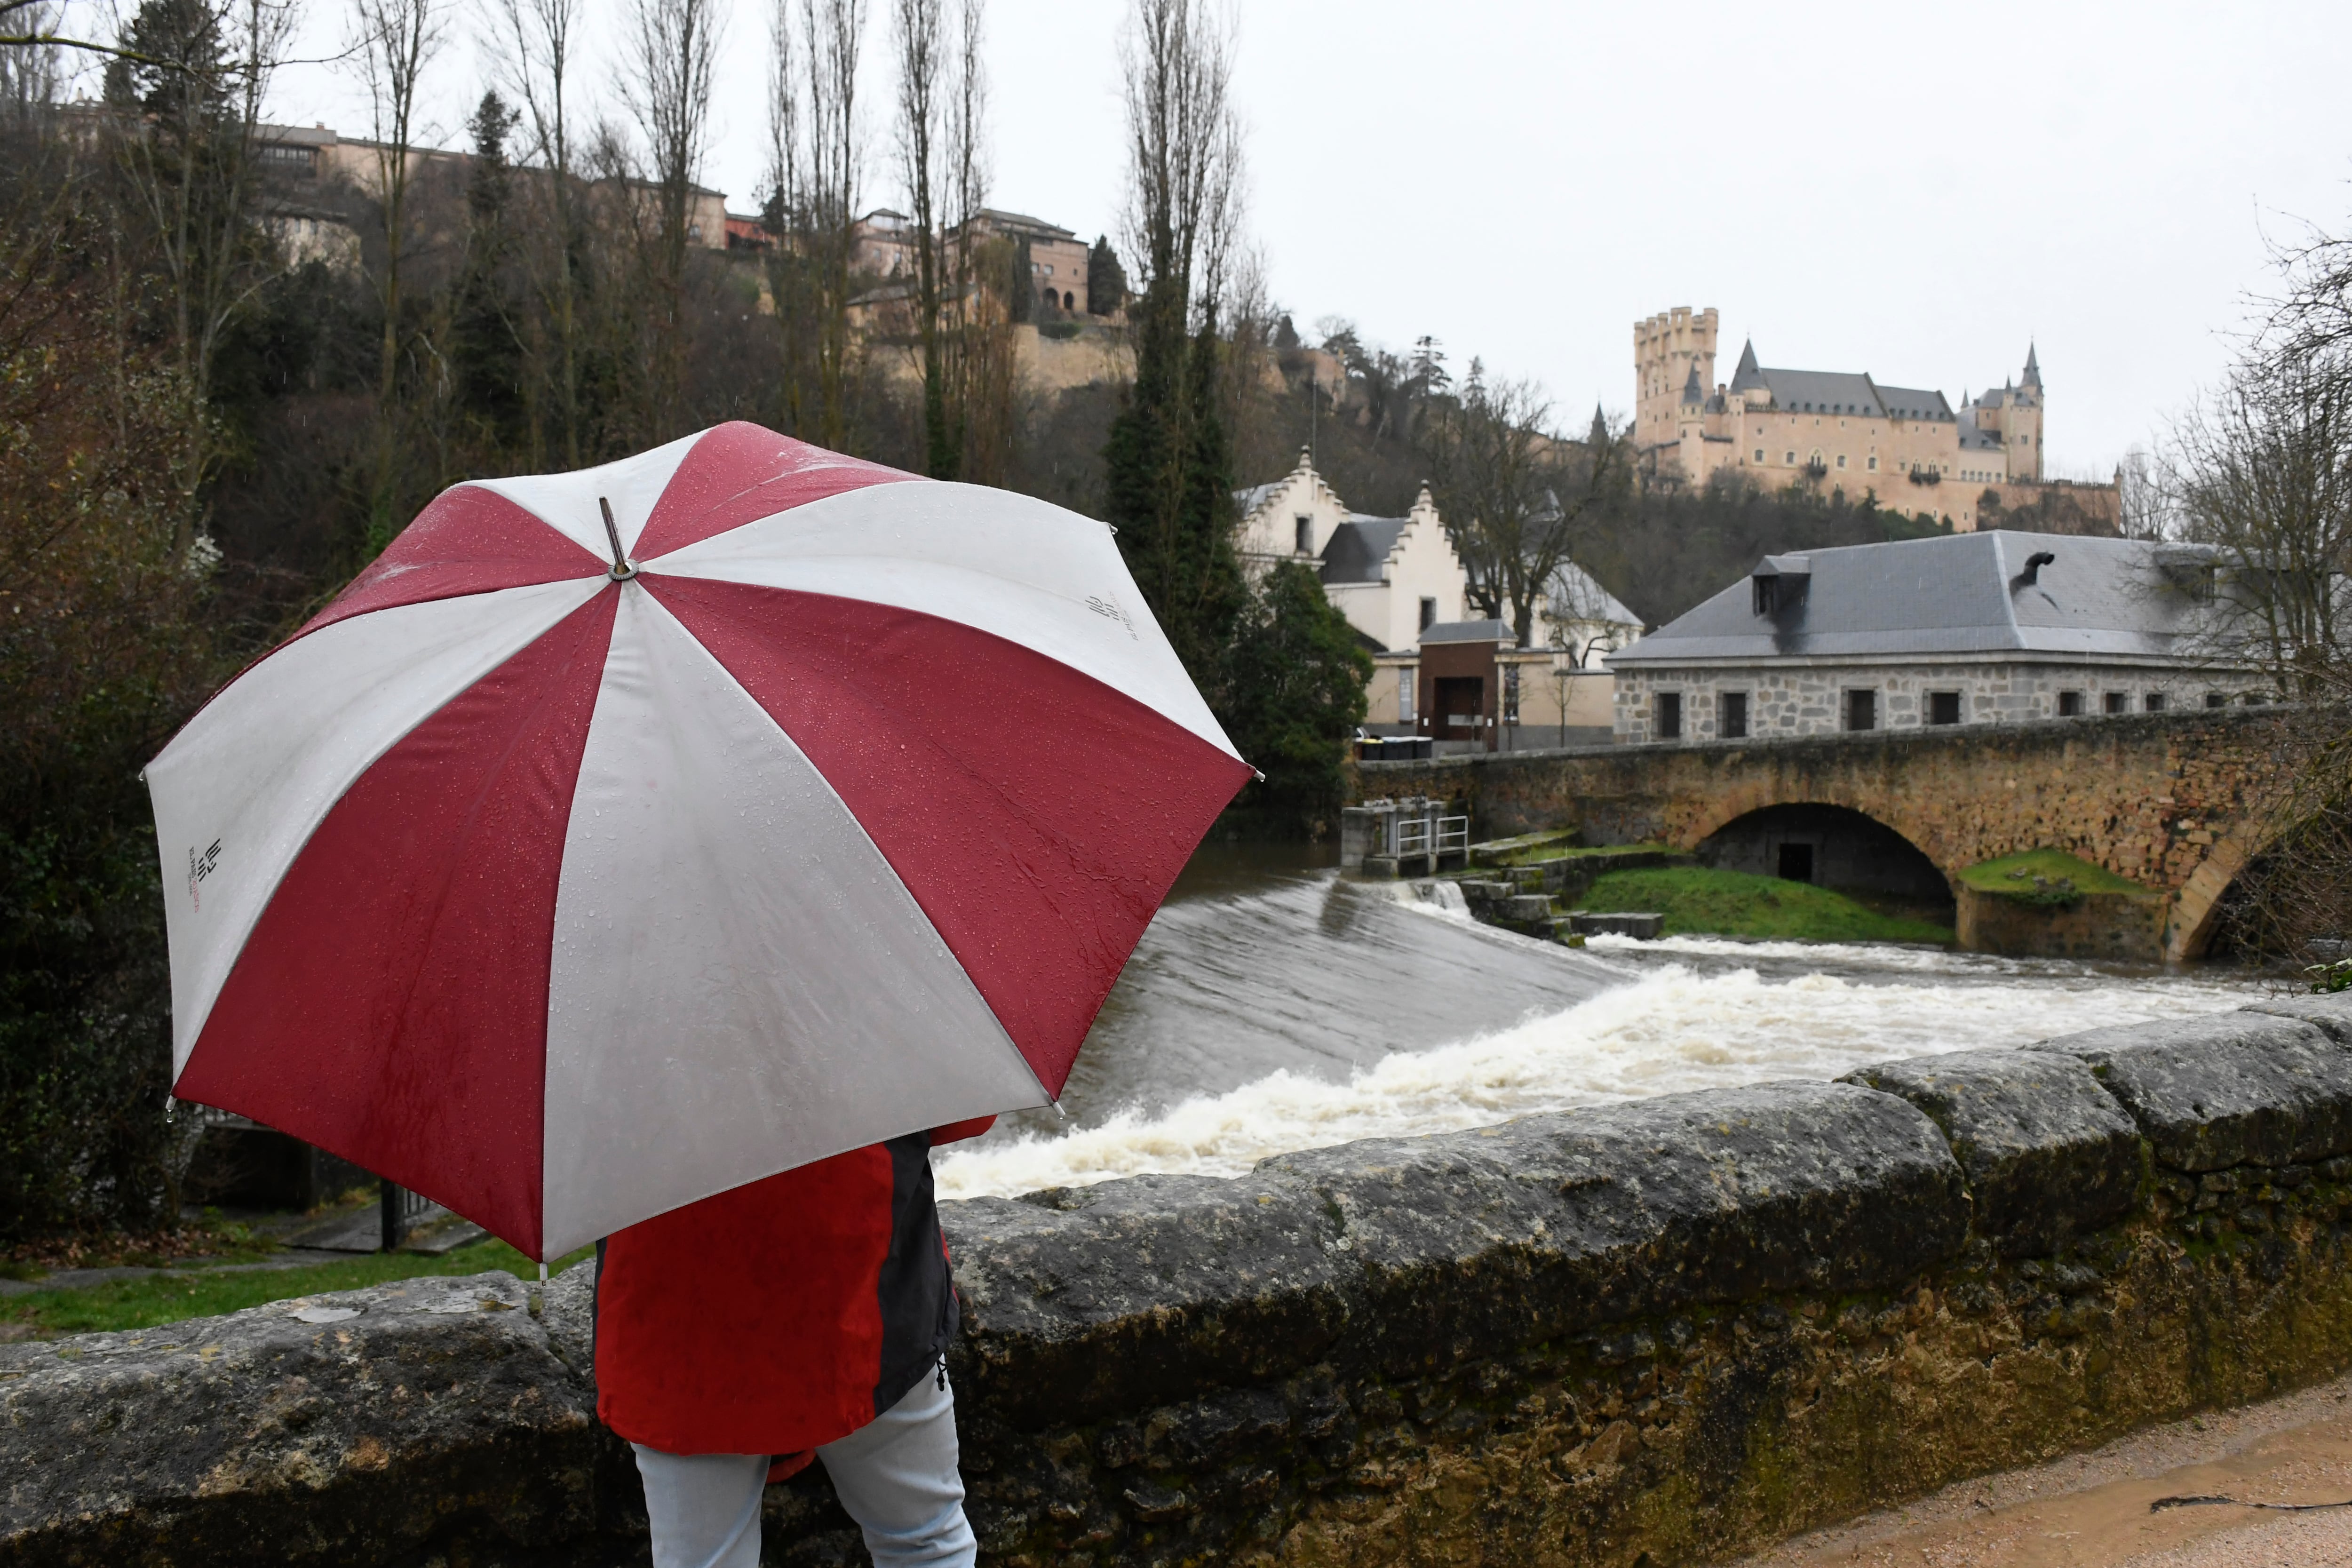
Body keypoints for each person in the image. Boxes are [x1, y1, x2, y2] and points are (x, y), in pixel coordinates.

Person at [593, 1116, 996, 1568]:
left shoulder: (596, 1047)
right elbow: (965, 1110)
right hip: (864, 1295)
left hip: (673, 1323)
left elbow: (571, 1162)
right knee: (924, 1540)